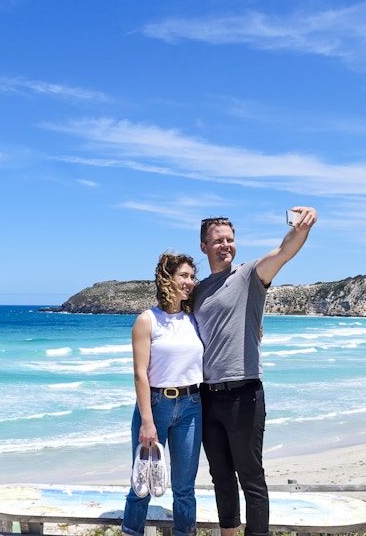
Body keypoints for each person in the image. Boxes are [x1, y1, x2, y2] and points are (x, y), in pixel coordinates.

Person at [194, 207, 318, 536]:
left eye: (230, 240)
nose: (225, 245)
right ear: (203, 246)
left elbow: (284, 251)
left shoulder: (249, 275)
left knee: (250, 477)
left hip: (244, 394)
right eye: (217, 240)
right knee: (221, 477)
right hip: (207, 397)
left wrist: (304, 225)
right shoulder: (197, 291)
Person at [121, 252, 205, 536]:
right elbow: (140, 374)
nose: (190, 282)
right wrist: (147, 421)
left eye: (192, 276)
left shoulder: (195, 318)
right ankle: (131, 531)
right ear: (167, 278)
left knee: (184, 488)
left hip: (191, 406)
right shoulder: (147, 320)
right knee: (141, 484)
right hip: (155, 405)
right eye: (183, 275)